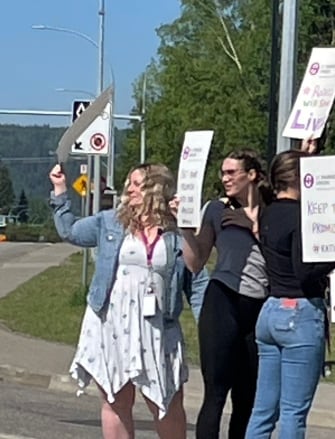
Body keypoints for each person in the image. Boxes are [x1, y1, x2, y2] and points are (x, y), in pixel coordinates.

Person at [49, 163, 191, 439]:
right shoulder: (110, 221)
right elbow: (70, 232)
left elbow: (196, 278)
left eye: (137, 183)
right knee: (115, 400)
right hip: (111, 322)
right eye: (129, 182)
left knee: (167, 402)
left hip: (157, 327)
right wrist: (60, 190)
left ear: (156, 188)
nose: (129, 188)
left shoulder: (176, 229)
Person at [244, 141, 335, 438]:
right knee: (293, 413)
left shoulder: (268, 213)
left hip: (271, 309)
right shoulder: (303, 215)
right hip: (299, 311)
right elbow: (304, 272)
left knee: (263, 410)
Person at [180, 149, 273, 439]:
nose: (225, 178)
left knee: (247, 396)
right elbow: (196, 262)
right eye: (223, 172)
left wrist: (253, 227)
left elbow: (285, 259)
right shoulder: (216, 209)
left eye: (232, 172)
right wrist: (185, 229)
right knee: (216, 392)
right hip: (223, 299)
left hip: (260, 305)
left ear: (252, 175)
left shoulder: (274, 210)